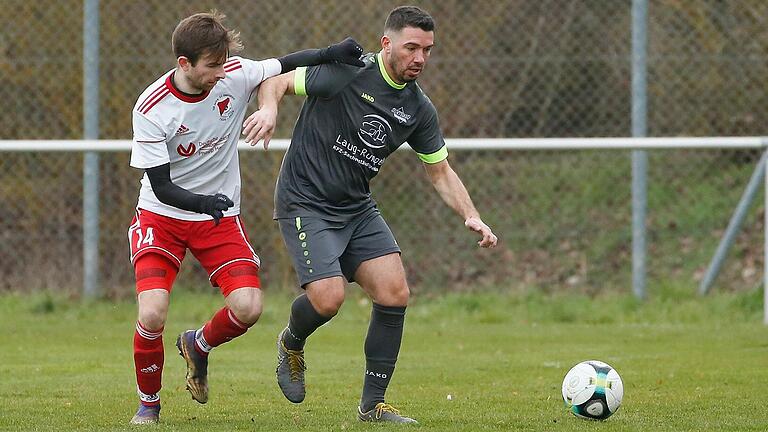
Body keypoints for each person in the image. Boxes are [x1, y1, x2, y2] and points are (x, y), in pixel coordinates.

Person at [242, 5, 498, 424]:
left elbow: (440, 171)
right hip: (305, 200)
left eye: (427, 50)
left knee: (395, 293)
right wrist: (269, 109)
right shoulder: (348, 73)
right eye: (411, 47)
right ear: (387, 44)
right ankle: (291, 342)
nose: (420, 58)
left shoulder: (417, 108)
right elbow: (278, 80)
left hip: (355, 206)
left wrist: (471, 214)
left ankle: (373, 405)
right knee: (328, 300)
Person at [126, 11, 365, 425]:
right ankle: (149, 405)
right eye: (212, 66)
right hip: (162, 215)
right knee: (152, 313)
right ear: (184, 64)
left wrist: (333, 52)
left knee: (249, 307)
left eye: (224, 63)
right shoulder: (152, 108)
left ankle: (198, 344)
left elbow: (285, 63)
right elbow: (162, 187)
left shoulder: (234, 73)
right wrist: (204, 203)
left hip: (217, 217)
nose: (221, 73)